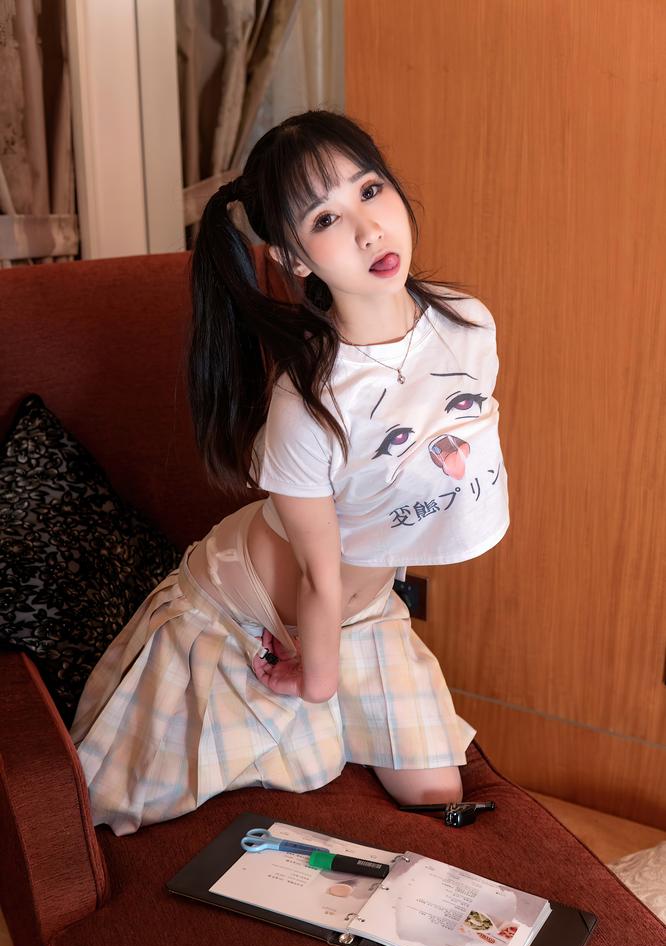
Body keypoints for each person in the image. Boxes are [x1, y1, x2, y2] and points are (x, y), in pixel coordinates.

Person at [70, 110, 509, 836]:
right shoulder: (309, 402)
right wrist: (316, 678)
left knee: (438, 794)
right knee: (179, 815)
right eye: (326, 218)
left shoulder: (468, 325)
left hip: (361, 614)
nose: (368, 230)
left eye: (370, 190)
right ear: (294, 258)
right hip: (245, 624)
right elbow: (316, 575)